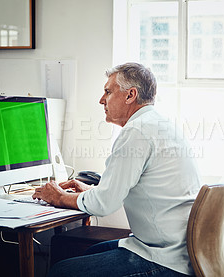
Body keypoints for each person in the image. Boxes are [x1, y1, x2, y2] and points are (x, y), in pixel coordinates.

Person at [33, 62, 202, 277]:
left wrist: (59, 197)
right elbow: (127, 190)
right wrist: (93, 192)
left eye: (107, 91)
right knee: (78, 249)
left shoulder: (137, 132)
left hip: (163, 259)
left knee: (61, 271)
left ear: (130, 95)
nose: (101, 100)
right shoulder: (158, 124)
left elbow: (104, 204)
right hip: (174, 250)